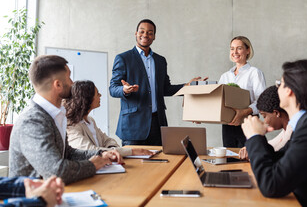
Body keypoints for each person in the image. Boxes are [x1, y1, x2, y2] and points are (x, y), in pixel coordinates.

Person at [242, 59, 307, 206]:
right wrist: (257, 139)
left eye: (280, 84)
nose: (277, 88)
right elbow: (280, 160)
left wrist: (255, 137)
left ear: (290, 90)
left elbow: (272, 185)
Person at [9, 55, 123, 185]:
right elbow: (56, 171)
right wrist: (92, 164)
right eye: (69, 77)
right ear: (57, 84)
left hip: (54, 193)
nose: (72, 83)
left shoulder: (55, 114)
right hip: (31, 199)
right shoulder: (32, 121)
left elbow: (68, 153)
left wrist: (102, 153)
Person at [109, 19, 203, 146]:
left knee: (159, 164)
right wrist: (124, 90)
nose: (145, 35)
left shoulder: (160, 61)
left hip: (157, 124)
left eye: (150, 32)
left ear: (154, 37)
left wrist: (187, 86)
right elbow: (113, 88)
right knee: (134, 165)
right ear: (136, 33)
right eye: (142, 31)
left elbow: (165, 89)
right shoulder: (123, 58)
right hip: (133, 126)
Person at [65, 80, 154, 156]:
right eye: (97, 94)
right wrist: (131, 151)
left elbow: (107, 140)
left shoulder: (90, 120)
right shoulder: (71, 124)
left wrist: (113, 151)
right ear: (87, 98)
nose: (100, 95)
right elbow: (90, 151)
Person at [218, 36, 266, 147]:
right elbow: (218, 102)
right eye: (232, 48)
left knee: (248, 159)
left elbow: (261, 102)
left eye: (239, 48)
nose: (235, 52)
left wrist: (242, 112)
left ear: (248, 50)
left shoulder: (254, 73)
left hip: (249, 123)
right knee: (230, 160)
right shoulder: (225, 76)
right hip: (228, 126)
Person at [239, 85, 292, 159]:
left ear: (276, 113)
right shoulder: (286, 130)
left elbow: (274, 153)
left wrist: (255, 137)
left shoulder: (292, 131)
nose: (265, 121)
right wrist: (251, 146)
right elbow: (273, 144)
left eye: (264, 116)